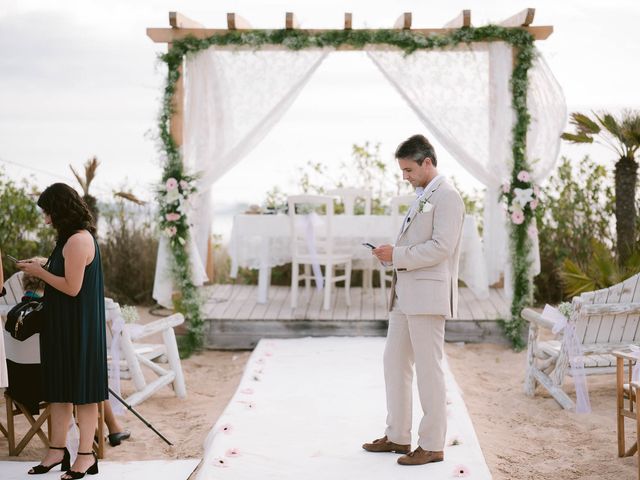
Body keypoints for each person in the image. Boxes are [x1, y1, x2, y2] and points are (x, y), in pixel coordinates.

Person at [362, 134, 465, 466]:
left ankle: (433, 444)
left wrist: (399, 254)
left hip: (428, 296)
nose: (404, 176)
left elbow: (441, 248)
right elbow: (417, 244)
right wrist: (390, 256)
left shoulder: (448, 197)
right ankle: (397, 436)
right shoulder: (424, 195)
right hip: (405, 295)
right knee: (393, 362)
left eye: (408, 170)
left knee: (429, 371)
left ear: (427, 163)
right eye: (402, 170)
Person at [18, 183, 107, 479]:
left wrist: (40, 273)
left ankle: (85, 456)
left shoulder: (79, 240)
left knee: (83, 394)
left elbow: (72, 287)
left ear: (60, 210)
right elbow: (66, 272)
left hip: (78, 328)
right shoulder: (67, 240)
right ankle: (57, 451)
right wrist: (43, 263)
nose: (46, 218)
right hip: (62, 326)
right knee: (59, 392)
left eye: (48, 212)